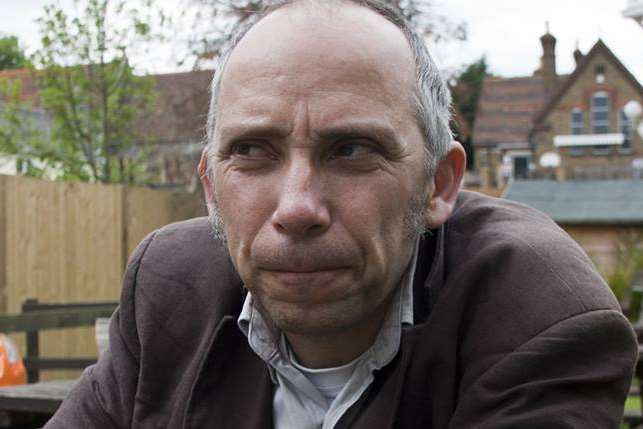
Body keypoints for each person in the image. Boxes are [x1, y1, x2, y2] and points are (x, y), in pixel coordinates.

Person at [45, 1, 637, 428]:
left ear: (439, 183)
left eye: (351, 150)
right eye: (252, 152)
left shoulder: (539, 313)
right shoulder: (168, 286)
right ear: (209, 186)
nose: (297, 208)